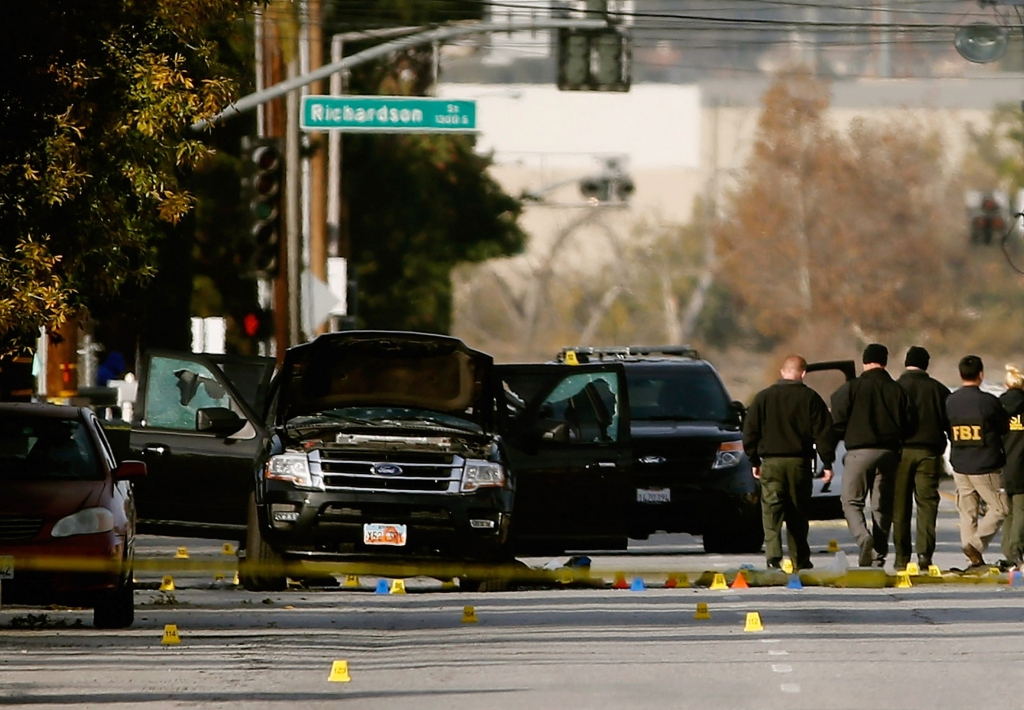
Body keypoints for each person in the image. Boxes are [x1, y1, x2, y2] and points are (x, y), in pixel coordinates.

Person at [743, 355, 835, 570]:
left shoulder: (763, 398)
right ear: (803, 373)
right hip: (799, 464)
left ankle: (773, 558)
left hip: (771, 463)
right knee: (798, 512)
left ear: (783, 372)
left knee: (772, 511)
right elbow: (824, 433)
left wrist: (754, 459)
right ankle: (800, 558)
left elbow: (750, 432)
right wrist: (827, 462)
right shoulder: (811, 398)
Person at [831, 343, 914, 567]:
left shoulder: (851, 388)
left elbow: (837, 419)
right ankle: (878, 556)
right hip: (889, 454)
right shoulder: (898, 390)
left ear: (865, 362)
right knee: (881, 507)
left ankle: (863, 537)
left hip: (858, 453)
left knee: (851, 501)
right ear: (885, 362)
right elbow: (909, 423)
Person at [946, 355, 1010, 569]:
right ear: (981, 375)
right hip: (985, 465)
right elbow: (1003, 428)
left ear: (960, 374)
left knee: (968, 510)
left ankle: (972, 555)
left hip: (960, 464)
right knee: (1001, 508)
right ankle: (975, 544)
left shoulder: (951, 401)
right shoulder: (989, 401)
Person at [893, 346, 950, 571]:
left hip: (900, 454)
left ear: (906, 363)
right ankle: (925, 556)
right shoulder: (939, 390)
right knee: (927, 504)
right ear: (926, 364)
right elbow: (949, 423)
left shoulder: (894, 388)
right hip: (929, 453)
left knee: (900, 506)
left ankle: (901, 557)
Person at [999, 364, 1024, 570]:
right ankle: (1017, 550)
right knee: (1021, 510)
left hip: (1002, 464)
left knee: (1007, 511)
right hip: (1023, 464)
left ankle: (1008, 550)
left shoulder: (997, 406)